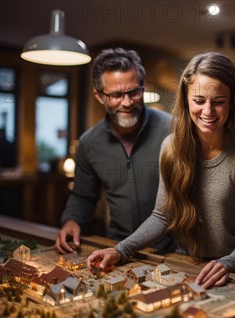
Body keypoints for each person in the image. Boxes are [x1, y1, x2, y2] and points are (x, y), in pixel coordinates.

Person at [86, 52, 235, 289]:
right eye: (199, 100)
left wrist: (227, 263)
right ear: (186, 98)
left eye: (219, 101)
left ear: (232, 101)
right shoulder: (171, 148)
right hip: (188, 267)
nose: (208, 111)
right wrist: (120, 250)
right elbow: (162, 216)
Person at [56, 48, 175, 254]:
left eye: (134, 92)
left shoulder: (173, 129)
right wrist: (71, 220)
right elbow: (83, 195)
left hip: (172, 250)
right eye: (116, 95)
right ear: (99, 96)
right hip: (116, 247)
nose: (127, 102)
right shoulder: (89, 143)